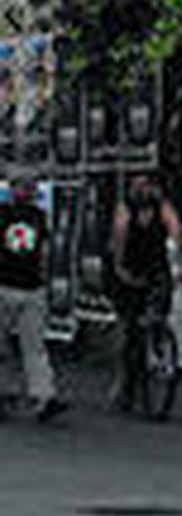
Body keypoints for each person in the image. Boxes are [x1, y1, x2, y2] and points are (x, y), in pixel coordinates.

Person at [108, 173, 182, 411]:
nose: (143, 189)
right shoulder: (125, 209)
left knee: (158, 313)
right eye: (138, 185)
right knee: (128, 331)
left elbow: (177, 233)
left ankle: (159, 345)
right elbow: (119, 238)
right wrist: (119, 268)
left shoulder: (162, 207)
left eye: (147, 184)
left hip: (156, 269)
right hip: (130, 270)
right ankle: (125, 382)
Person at [0, 170, 66, 422]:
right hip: (4, 284)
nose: (26, 191)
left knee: (35, 346)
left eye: (30, 187)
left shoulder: (39, 216)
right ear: (12, 189)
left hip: (32, 287)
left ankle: (44, 397)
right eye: (23, 187)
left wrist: (46, 281)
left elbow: (45, 251)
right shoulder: (2, 214)